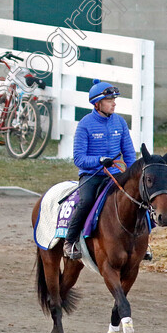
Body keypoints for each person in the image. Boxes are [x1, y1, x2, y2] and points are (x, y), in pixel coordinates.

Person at [63, 79, 136, 260]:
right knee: (86, 201)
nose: (114, 103)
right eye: (110, 100)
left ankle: (142, 242)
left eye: (114, 99)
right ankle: (70, 241)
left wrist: (132, 174)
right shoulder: (85, 125)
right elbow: (79, 159)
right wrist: (99, 160)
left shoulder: (120, 123)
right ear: (98, 104)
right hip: (92, 175)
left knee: (136, 199)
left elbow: (129, 154)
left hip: (116, 175)